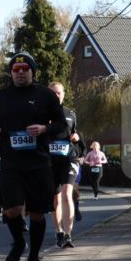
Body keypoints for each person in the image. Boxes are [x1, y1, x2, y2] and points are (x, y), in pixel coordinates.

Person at [0, 53, 67, 261]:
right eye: (16, 69)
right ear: (11, 72)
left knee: (37, 213)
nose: (20, 72)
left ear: (32, 71)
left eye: (24, 69)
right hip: (11, 163)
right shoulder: (1, 97)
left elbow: (62, 125)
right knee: (12, 210)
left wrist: (44, 129)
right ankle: (20, 243)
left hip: (38, 163)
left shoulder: (45, 96)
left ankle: (34, 255)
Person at [48, 82, 81, 248]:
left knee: (67, 193)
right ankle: (59, 231)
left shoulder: (70, 114)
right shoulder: (41, 114)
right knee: (55, 199)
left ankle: (68, 235)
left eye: (58, 93)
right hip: (50, 161)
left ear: (63, 94)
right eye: (52, 93)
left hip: (69, 158)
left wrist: (77, 138)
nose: (56, 95)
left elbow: (76, 134)